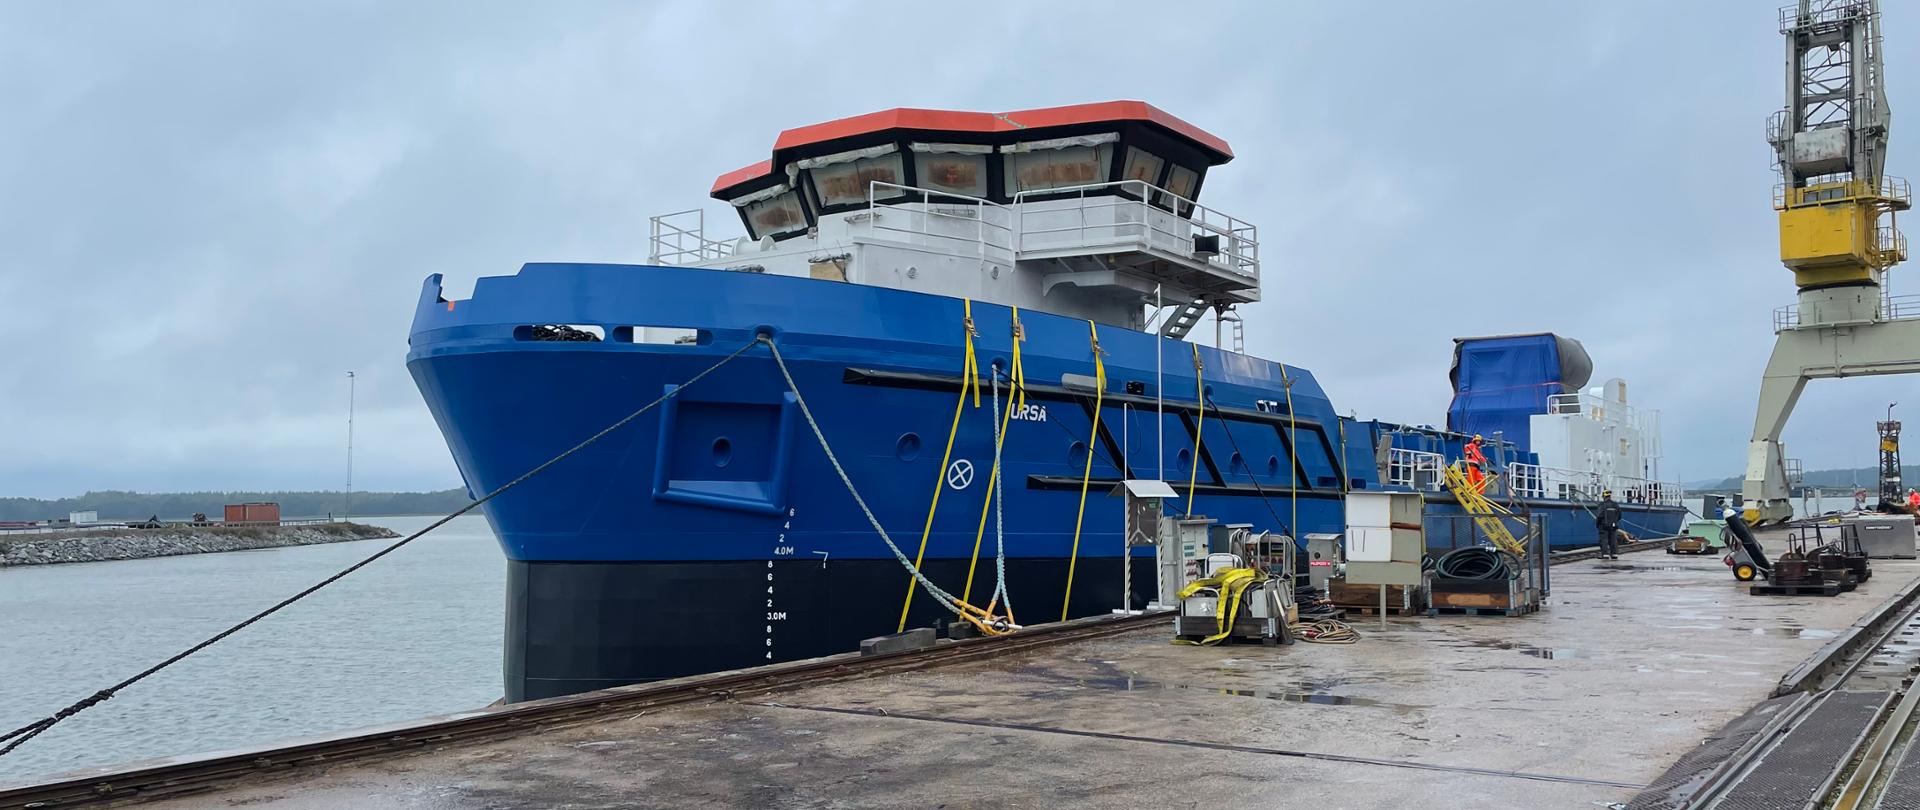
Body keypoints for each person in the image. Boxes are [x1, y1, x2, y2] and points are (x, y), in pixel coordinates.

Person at [1596, 489, 1622, 559]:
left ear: (1604, 496)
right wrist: (1615, 522)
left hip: (1603, 526)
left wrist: (1597, 524)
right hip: (1613, 526)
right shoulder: (1615, 505)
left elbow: (1599, 516)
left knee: (1604, 540)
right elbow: (1619, 515)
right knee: (1613, 539)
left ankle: (1605, 554)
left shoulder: (1602, 505)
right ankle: (1614, 554)